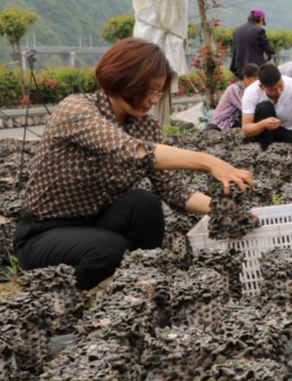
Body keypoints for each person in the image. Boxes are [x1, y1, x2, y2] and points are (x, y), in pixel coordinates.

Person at [14, 39, 254, 290]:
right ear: (124, 80)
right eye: (149, 90)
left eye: (158, 92)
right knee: (110, 249)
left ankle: (142, 290)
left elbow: (173, 189)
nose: (153, 100)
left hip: (95, 224)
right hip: (42, 233)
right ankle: (57, 297)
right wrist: (208, 162)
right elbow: (130, 149)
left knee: (143, 202)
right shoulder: (77, 109)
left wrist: (229, 212)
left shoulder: (145, 126)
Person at [241, 64, 292, 150]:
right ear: (261, 87)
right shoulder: (251, 92)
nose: (278, 91)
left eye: (280, 86)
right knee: (265, 107)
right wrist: (263, 124)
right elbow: (246, 129)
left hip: (283, 131)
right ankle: (265, 149)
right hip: (260, 133)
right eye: (272, 89)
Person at [205, 63, 260, 132]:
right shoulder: (235, 89)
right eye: (255, 79)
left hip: (233, 121)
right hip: (220, 123)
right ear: (245, 78)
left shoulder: (249, 90)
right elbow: (247, 109)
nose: (257, 82)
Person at [229, 9, 276, 76]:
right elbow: (270, 49)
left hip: (239, 68)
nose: (262, 25)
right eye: (263, 23)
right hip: (254, 69)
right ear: (261, 19)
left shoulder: (237, 30)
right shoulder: (259, 31)